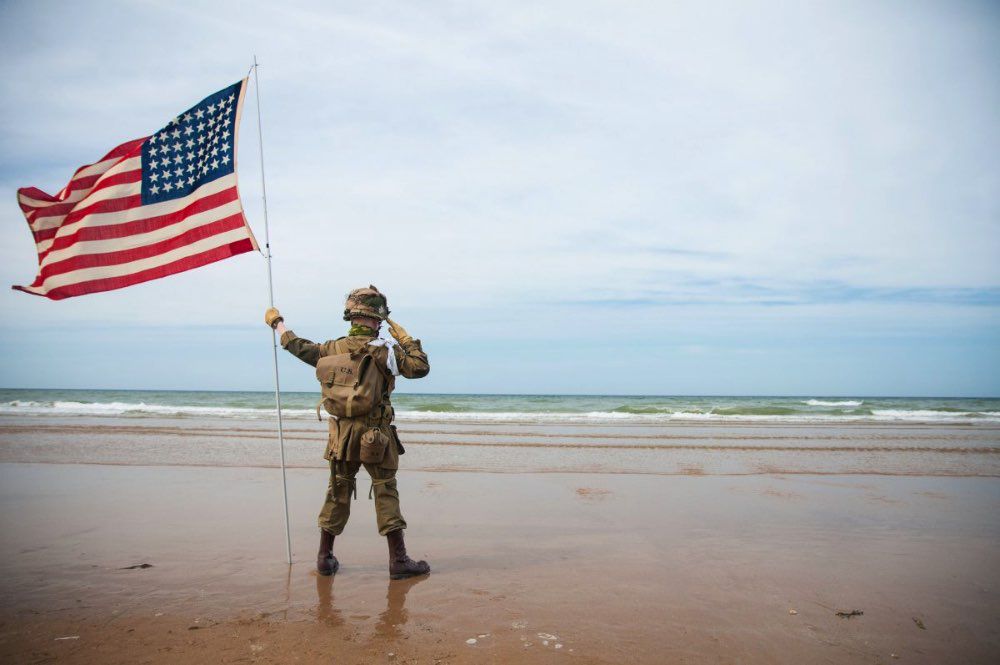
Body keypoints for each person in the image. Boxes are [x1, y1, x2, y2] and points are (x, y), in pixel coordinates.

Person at [264, 285, 431, 579]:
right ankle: (398, 561)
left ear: (351, 317)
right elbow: (420, 367)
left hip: (341, 435)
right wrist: (406, 339)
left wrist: (278, 324)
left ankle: (324, 558)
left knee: (338, 490)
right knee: (385, 490)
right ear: (377, 319)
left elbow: (297, 346)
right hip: (376, 435)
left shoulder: (331, 349)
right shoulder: (385, 350)